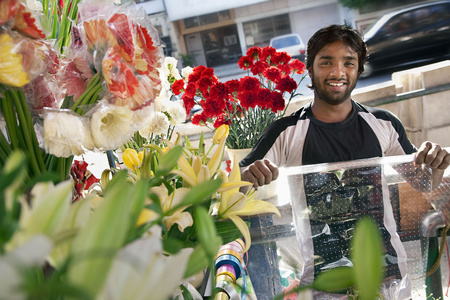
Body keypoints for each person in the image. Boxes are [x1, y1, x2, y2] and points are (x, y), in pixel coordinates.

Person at [239, 24, 450, 298]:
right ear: (310, 70)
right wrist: (249, 177)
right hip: (323, 285)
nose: (338, 72)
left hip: (390, 280)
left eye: (348, 62)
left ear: (358, 70)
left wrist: (437, 166)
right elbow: (235, 190)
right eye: (326, 62)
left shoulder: (383, 124)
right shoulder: (286, 131)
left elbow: (424, 183)